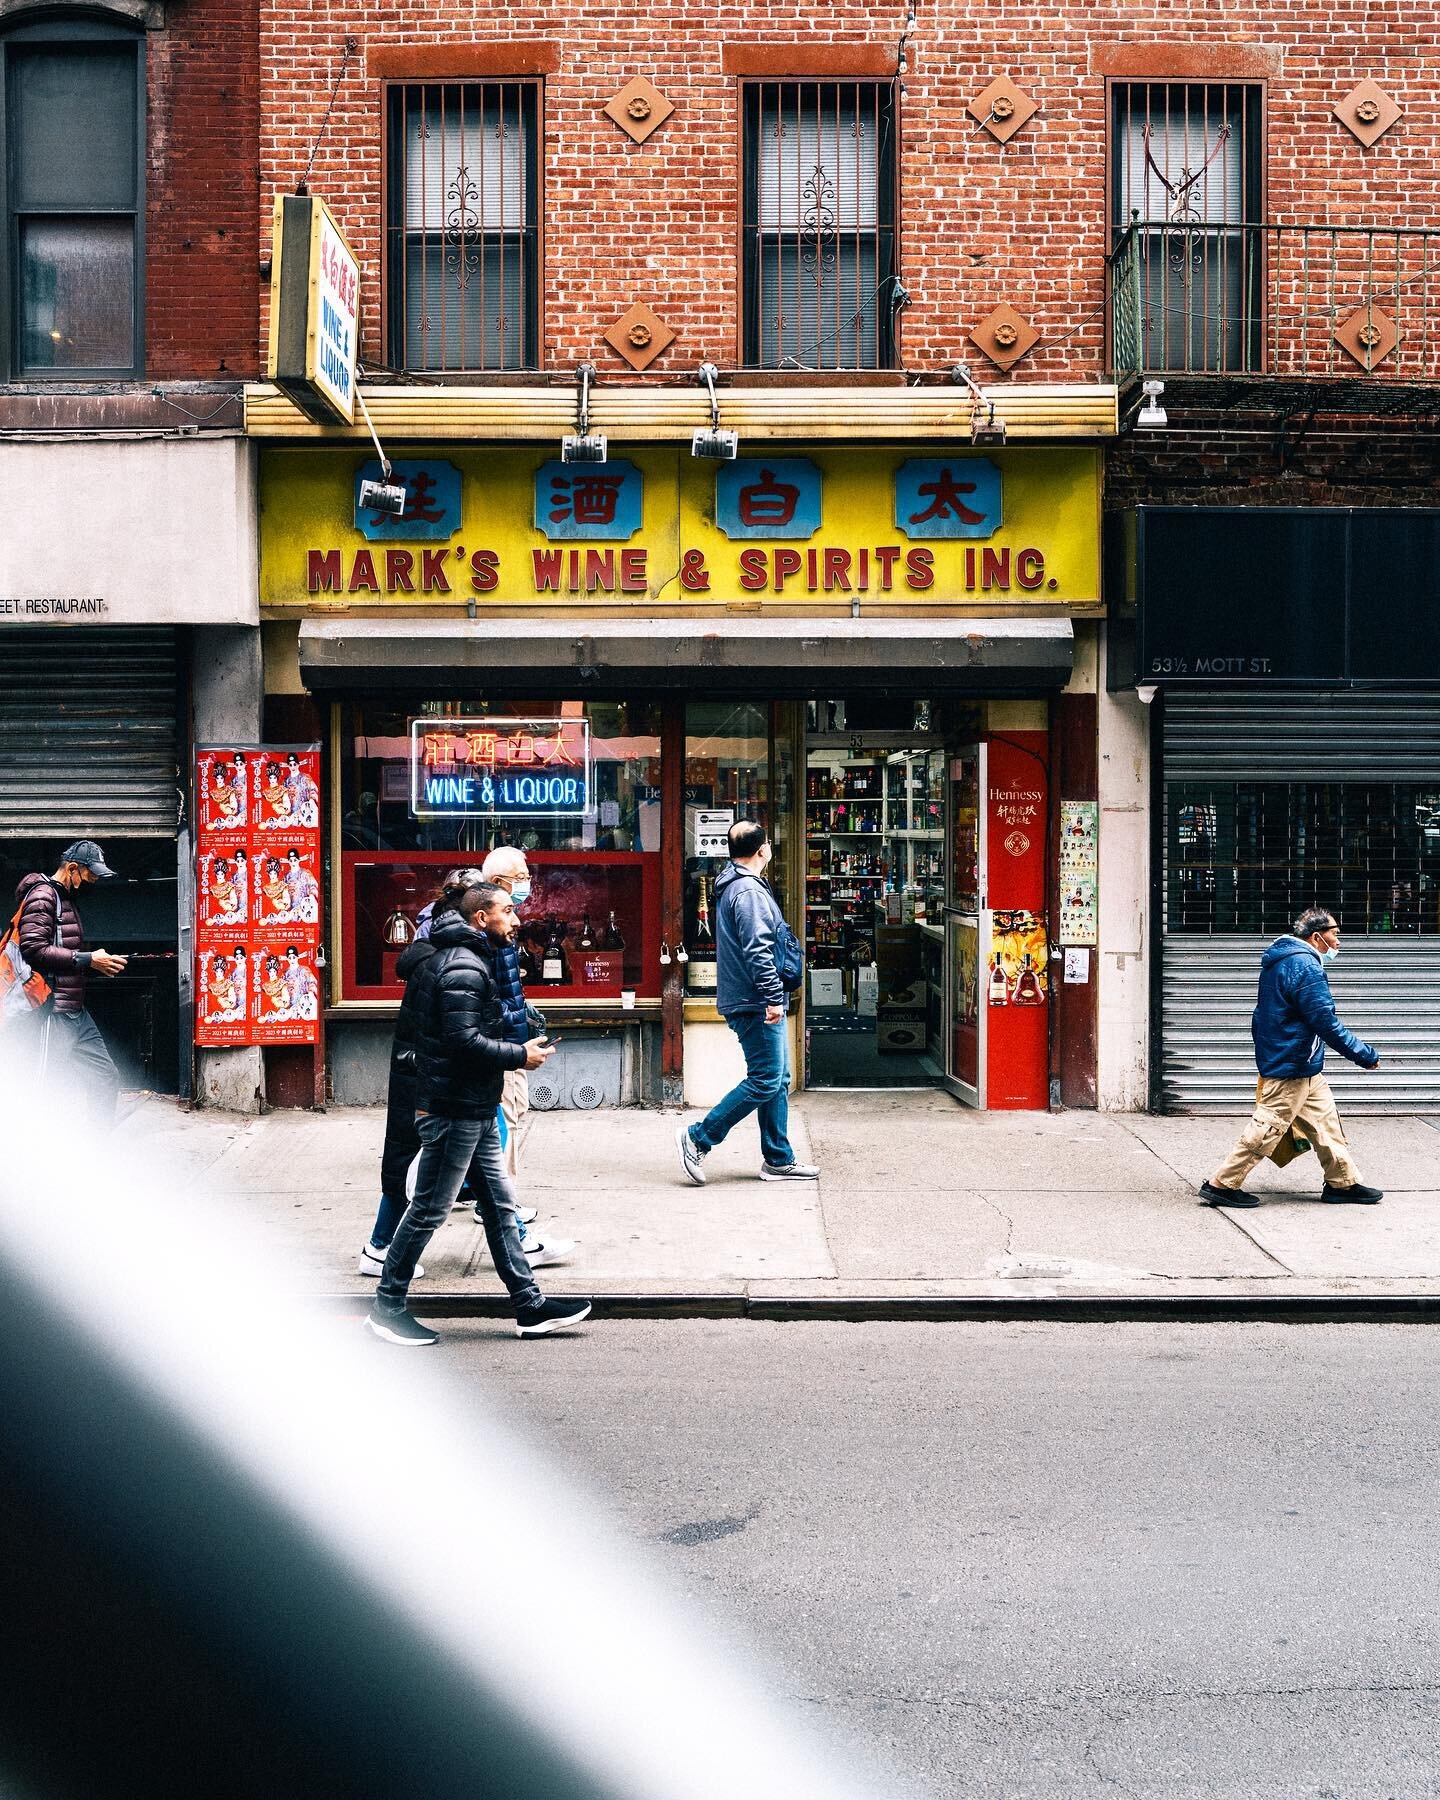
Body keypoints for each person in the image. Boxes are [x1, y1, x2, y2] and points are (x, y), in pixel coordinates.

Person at [367, 881, 591, 1346]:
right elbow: (461, 1041)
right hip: (453, 1108)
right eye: (507, 911)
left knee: (498, 1206)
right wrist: (518, 1054)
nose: (516, 919)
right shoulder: (464, 967)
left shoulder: (463, 958)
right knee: (429, 1209)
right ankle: (387, 1308)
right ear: (481, 918)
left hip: (472, 1104)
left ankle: (529, 1307)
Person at [1200, 907, 1384, 1209]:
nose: (1338, 942)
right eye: (1334, 935)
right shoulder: (1305, 967)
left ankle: (1342, 1183)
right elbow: (1325, 1021)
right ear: (1316, 937)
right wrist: (1365, 1055)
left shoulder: (1282, 958)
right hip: (1292, 1062)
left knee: (1325, 1124)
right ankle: (1221, 1184)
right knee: (1268, 1125)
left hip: (1302, 1062)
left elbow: (1263, 1015)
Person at [675, 819, 817, 1185]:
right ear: (763, 849)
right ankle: (698, 1137)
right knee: (765, 1079)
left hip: (752, 997)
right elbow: (757, 951)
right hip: (756, 1001)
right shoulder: (748, 893)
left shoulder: (737, 885)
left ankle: (778, 1159)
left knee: (777, 1078)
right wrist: (772, 998)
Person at [358, 868, 483, 1280]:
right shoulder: (447, 963)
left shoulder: (433, 957)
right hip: (428, 1078)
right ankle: (380, 1251)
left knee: (481, 1171)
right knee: (412, 1162)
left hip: (425, 1074)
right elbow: (453, 1032)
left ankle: (512, 1240)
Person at [477, 845, 572, 1265]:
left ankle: (499, 1206)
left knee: (497, 1129)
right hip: (501, 1048)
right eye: (521, 874)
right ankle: (504, 1213)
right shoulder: (490, 927)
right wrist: (515, 1043)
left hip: (506, 1041)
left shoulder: (496, 923)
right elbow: (489, 996)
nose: (528, 881)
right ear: (498, 884)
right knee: (502, 1127)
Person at [14, 841, 127, 1126]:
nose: (93, 882)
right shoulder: (43, 896)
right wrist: (88, 959)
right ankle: (31, 1151)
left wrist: (93, 963)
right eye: (90, 876)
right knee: (45, 1085)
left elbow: (63, 949)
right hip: (51, 1011)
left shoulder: (63, 898)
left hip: (74, 1010)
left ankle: (95, 1150)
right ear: (72, 868)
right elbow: (33, 948)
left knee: (105, 1075)